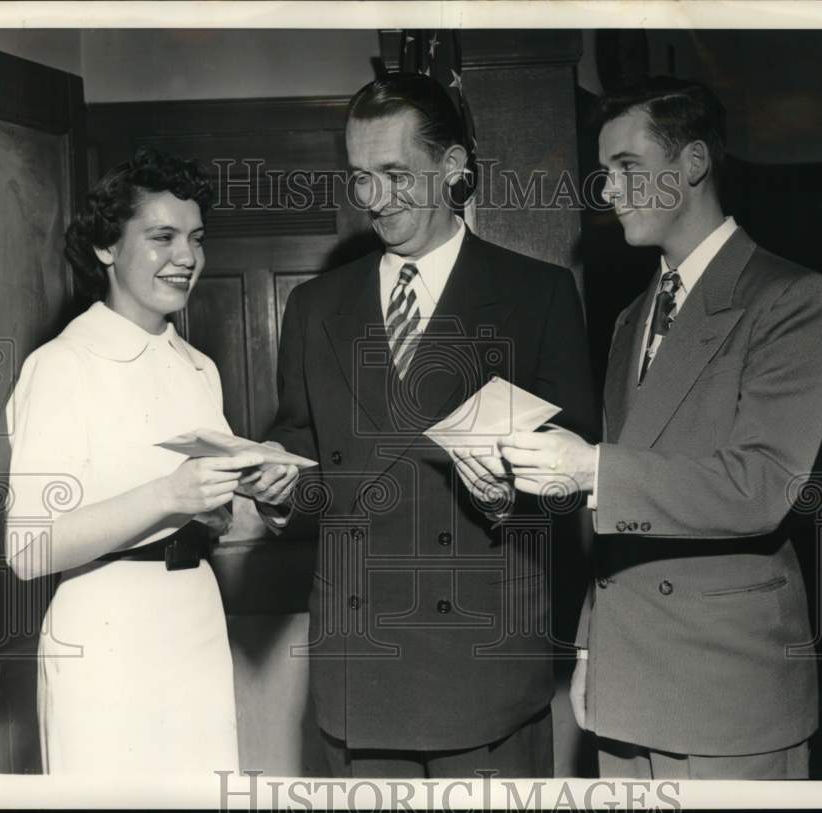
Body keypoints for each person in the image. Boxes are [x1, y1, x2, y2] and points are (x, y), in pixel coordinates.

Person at [247, 73, 598, 778]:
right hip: (360, 669)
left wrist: (510, 495)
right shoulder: (316, 306)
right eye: (360, 177)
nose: (375, 199)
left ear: (454, 168)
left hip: (483, 670)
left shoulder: (538, 294)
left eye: (396, 174)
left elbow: (576, 480)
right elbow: (309, 457)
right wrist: (279, 484)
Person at [497, 77, 822, 779]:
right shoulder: (632, 317)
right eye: (604, 172)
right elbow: (627, 516)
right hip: (628, 687)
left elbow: (762, 485)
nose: (609, 191)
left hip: (727, 695)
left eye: (627, 168)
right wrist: (594, 647)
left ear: (690, 166)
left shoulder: (791, 298)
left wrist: (590, 468)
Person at [5, 147, 291, 775]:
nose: (186, 256)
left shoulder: (198, 367)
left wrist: (267, 501)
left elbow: (214, 520)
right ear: (108, 247)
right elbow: (26, 551)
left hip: (194, 615)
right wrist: (167, 494)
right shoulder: (60, 366)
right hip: (103, 628)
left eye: (195, 238)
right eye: (161, 237)